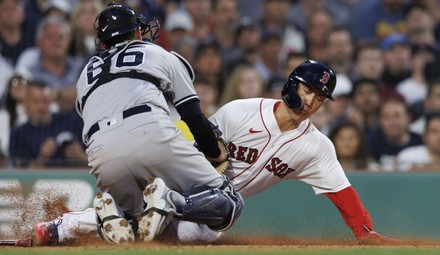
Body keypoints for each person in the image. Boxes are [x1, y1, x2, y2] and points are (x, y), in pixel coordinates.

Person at [33, 60, 396, 245]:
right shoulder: (242, 111)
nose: (312, 100)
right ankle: (65, 227)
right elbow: (195, 147)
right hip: (184, 178)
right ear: (292, 83)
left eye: (320, 97)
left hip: (208, 211)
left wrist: (365, 233)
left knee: (189, 234)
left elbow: (341, 192)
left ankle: (67, 227)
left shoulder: (316, 147)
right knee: (154, 217)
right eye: (308, 90)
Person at [32, 3, 243, 246]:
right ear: (138, 33)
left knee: (142, 226)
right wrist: (214, 153)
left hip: (102, 153)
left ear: (102, 43)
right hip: (149, 133)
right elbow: (193, 116)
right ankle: (171, 201)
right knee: (228, 203)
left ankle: (62, 228)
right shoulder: (159, 53)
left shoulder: (85, 74)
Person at [8, 81, 86, 168]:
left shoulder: (71, 121)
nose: (41, 106)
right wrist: (42, 158)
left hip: (77, 179)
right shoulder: (19, 134)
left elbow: (96, 163)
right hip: (42, 181)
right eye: (35, 101)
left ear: (51, 102)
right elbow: (19, 176)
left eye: (45, 101)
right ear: (26, 104)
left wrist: (81, 156)